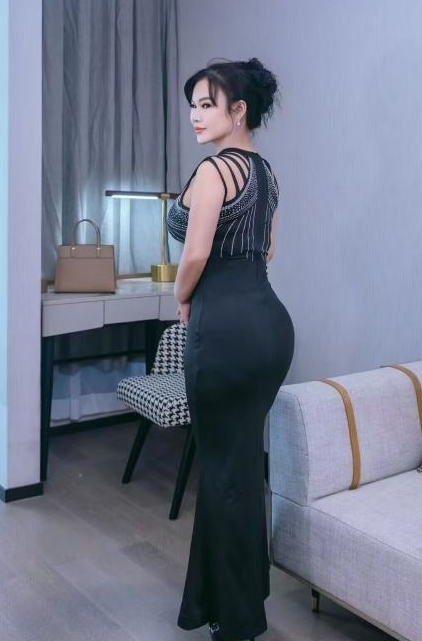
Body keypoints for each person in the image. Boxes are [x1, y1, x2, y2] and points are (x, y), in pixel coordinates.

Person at [166, 57, 295, 641]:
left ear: (238, 111)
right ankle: (232, 601)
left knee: (222, 470)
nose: (195, 116)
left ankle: (236, 619)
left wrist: (182, 298)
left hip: (224, 330)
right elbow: (267, 251)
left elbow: (195, 253)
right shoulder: (266, 174)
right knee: (240, 466)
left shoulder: (216, 169)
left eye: (206, 105)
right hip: (269, 325)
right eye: (192, 105)